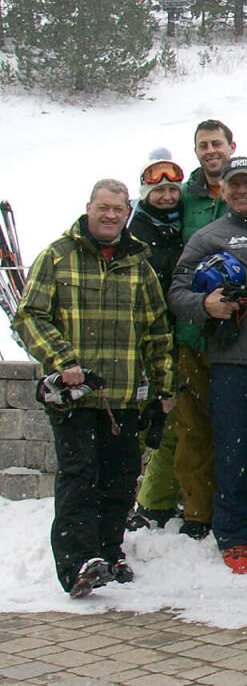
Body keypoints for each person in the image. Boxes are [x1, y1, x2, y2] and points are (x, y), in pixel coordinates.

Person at [13, 179, 175, 598]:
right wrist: (63, 361)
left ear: (127, 213)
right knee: (80, 476)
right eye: (103, 207)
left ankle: (109, 551)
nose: (110, 215)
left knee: (120, 479)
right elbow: (29, 316)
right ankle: (78, 563)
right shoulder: (57, 256)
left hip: (122, 396)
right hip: (74, 397)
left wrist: (164, 388)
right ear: (89, 208)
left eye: (118, 209)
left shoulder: (139, 263)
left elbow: (157, 333)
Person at [168, 156, 247, 575]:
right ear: (222, 191)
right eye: (233, 185)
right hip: (231, 362)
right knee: (234, 452)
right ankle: (234, 535)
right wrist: (204, 304)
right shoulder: (208, 236)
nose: (242, 191)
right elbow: (177, 293)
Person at [126, 152, 188, 532]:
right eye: (158, 190)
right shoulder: (135, 231)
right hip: (138, 341)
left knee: (170, 424)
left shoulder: (183, 226)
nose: (166, 196)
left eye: (171, 189)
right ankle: (122, 498)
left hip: (175, 337)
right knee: (134, 425)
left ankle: (156, 501)